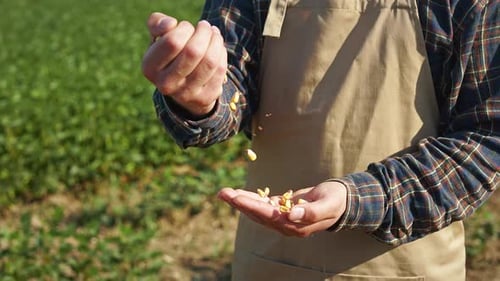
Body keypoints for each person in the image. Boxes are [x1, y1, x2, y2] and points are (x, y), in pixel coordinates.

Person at [142, 0, 499, 280]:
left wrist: (358, 197)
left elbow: (486, 138)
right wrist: (199, 97)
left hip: (406, 265)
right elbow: (231, 89)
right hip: (272, 262)